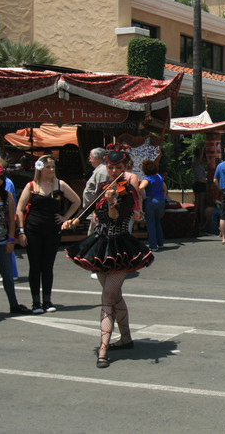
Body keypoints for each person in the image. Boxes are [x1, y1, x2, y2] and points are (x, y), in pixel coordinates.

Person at [62, 144, 154, 368]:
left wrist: (113, 202)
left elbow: (114, 216)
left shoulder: (127, 191)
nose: (114, 171)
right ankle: (126, 338)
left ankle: (103, 349)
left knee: (107, 297)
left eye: (118, 167)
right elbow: (93, 211)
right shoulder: (104, 187)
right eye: (111, 167)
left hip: (120, 248)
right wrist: (74, 220)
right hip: (101, 245)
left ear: (125, 167)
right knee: (115, 296)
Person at [16, 155, 80, 314]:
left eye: (53, 167)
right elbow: (19, 209)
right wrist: (21, 231)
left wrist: (66, 217)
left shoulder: (60, 184)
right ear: (40, 168)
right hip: (33, 230)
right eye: (47, 167)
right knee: (35, 266)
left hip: (52, 231)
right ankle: (35, 302)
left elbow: (77, 201)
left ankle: (47, 300)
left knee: (47, 266)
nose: (51, 170)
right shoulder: (32, 186)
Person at [0, 163, 31, 321]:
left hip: (3, 242)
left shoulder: (7, 196)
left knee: (8, 275)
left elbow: (12, 219)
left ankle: (14, 304)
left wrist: (11, 239)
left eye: (1, 177)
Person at [0, 158, 20, 282]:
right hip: (0, 219)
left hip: (6, 218)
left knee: (7, 245)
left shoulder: (6, 183)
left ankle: (12, 272)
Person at [139, 159, 167, 251]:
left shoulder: (147, 179)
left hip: (150, 201)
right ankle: (160, 243)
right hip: (160, 201)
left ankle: (153, 245)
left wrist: (144, 197)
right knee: (157, 222)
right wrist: (163, 197)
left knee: (151, 223)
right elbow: (165, 189)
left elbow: (141, 187)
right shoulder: (159, 177)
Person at [83, 148, 109, 234]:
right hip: (95, 210)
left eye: (90, 158)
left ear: (97, 159)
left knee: (96, 235)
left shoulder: (102, 171)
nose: (89, 160)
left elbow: (101, 193)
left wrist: (95, 211)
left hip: (98, 211)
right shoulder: (99, 170)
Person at [192, 149, 208, 230]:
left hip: (198, 184)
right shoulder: (196, 163)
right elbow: (200, 156)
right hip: (200, 184)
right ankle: (200, 221)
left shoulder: (198, 164)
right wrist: (202, 149)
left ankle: (195, 220)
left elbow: (207, 162)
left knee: (198, 203)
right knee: (201, 204)